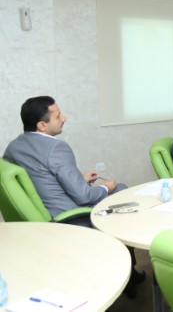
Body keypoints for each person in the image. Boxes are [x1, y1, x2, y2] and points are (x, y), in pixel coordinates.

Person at [3, 96, 145, 296]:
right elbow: (85, 197)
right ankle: (129, 275)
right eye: (58, 115)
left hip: (39, 218)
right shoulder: (56, 148)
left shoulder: (14, 147)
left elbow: (40, 179)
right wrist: (106, 188)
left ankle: (128, 271)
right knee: (121, 191)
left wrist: (80, 178)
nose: (64, 118)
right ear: (42, 125)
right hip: (69, 217)